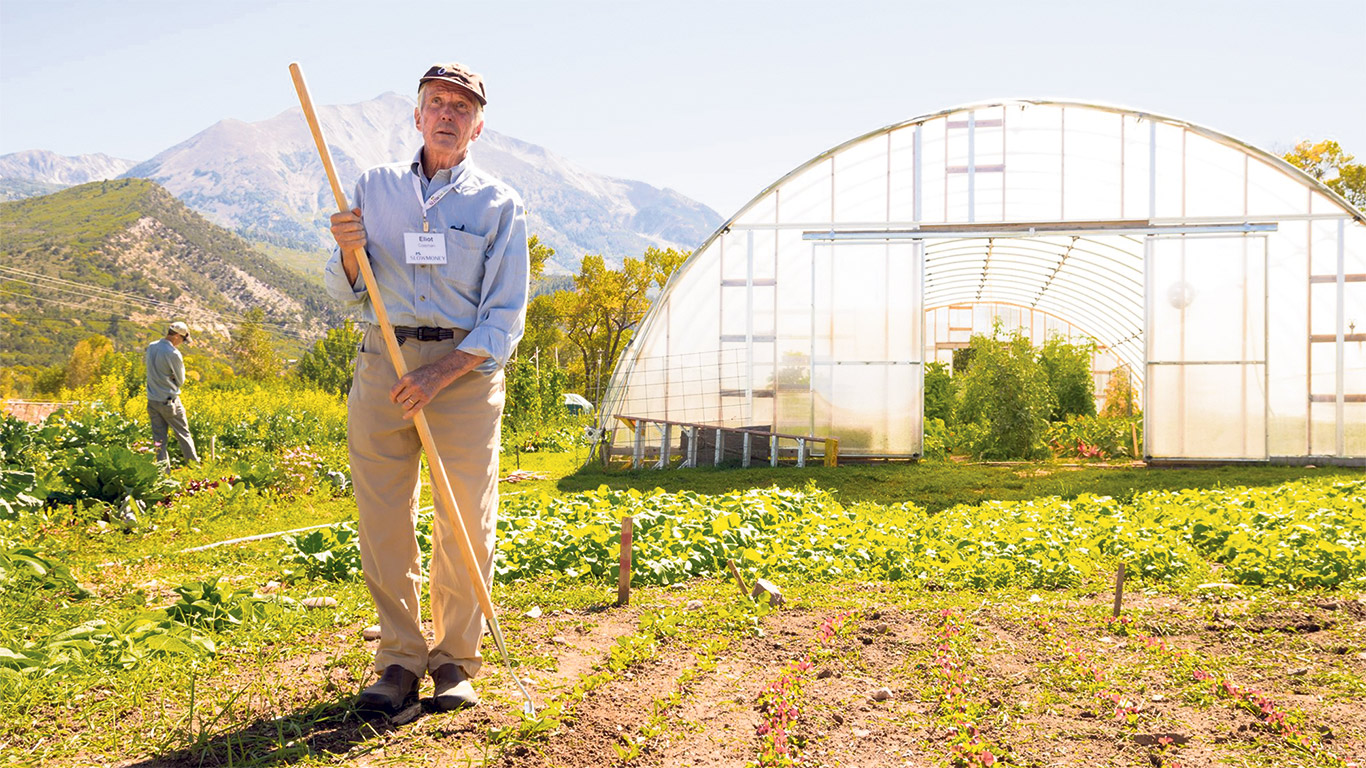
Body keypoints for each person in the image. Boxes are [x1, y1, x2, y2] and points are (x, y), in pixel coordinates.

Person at [324, 62, 529, 715]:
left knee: (465, 518)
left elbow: (505, 317)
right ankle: (399, 661)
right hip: (382, 362)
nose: (447, 114)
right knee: (383, 516)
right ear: (417, 115)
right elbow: (344, 289)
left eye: (461, 107)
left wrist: (439, 373)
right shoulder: (373, 188)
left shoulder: (498, 205)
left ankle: (456, 663)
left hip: (462, 373)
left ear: (478, 125)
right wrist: (349, 250)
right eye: (436, 103)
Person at [144, 321, 200, 465]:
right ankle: (195, 468)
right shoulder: (173, 353)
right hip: (169, 401)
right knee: (183, 434)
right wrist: (172, 377)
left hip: (152, 400)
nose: (181, 342)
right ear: (176, 336)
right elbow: (180, 380)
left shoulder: (151, 347)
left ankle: (163, 472)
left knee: (159, 440)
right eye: (182, 339)